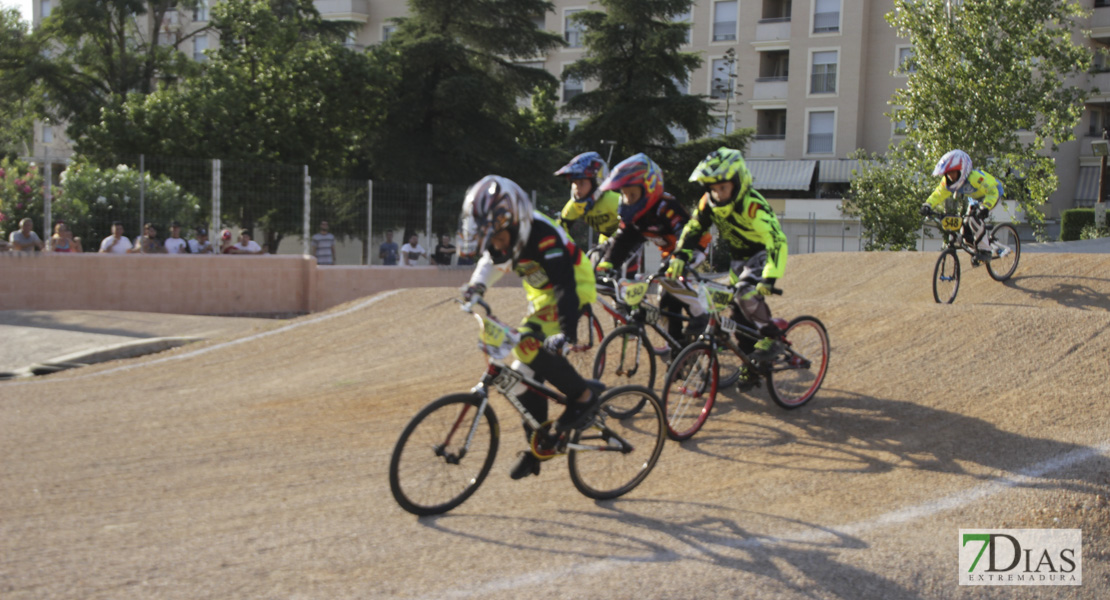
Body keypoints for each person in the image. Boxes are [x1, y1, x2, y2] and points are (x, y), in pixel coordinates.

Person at [459, 175, 600, 480]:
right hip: (541, 296)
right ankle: (540, 446)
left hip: (574, 287)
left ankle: (583, 397)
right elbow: (491, 261)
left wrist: (566, 334)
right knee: (521, 376)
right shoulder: (507, 235)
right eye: (490, 239)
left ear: (516, 223)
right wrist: (476, 287)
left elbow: (565, 285)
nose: (495, 245)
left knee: (529, 347)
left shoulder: (543, 235)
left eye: (498, 238)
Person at [672, 147, 789, 384]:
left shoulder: (752, 205)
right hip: (738, 259)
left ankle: (772, 337)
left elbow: (776, 240)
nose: (718, 194)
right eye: (713, 189)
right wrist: (680, 255)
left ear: (738, 182)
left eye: (723, 187)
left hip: (761, 255)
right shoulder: (709, 203)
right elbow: (694, 229)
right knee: (736, 312)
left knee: (746, 293)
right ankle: (751, 364)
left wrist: (770, 276)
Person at [595, 153, 711, 346]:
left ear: (649, 188)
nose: (628, 199)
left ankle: (702, 315)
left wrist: (678, 259)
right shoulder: (635, 215)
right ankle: (678, 346)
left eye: (633, 194)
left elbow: (687, 234)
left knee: (672, 282)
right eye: (624, 195)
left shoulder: (666, 206)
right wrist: (607, 263)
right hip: (669, 253)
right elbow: (622, 241)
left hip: (694, 247)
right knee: (666, 301)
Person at [920, 149, 1002, 264]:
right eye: (948, 173)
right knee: (964, 229)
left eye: (953, 172)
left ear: (962, 170)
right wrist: (928, 205)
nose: (950, 176)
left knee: (974, 220)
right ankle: (976, 250)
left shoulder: (975, 178)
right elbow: (938, 194)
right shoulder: (947, 181)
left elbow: (992, 192)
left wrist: (986, 207)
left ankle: (985, 251)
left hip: (992, 194)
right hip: (975, 199)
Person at [553, 151, 622, 256]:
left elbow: (633, 225)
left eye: (581, 183)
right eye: (574, 182)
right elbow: (559, 231)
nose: (576, 188)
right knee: (596, 263)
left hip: (627, 241)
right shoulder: (574, 205)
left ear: (597, 181)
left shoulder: (612, 199)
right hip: (604, 240)